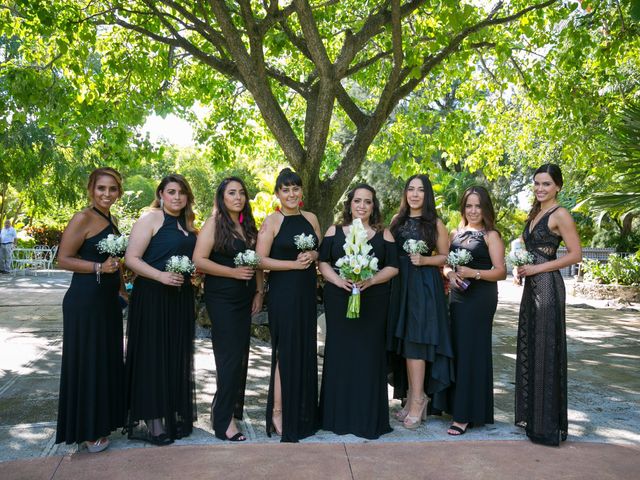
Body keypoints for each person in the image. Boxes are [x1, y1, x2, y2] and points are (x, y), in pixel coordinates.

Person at [318, 184, 399, 439]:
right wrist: (337, 281)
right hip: (339, 298)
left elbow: (394, 267)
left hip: (374, 301)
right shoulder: (334, 231)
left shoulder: (383, 234)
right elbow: (323, 261)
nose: (362, 206)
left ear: (374, 206)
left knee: (368, 355)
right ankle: (336, 417)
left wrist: (372, 279)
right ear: (349, 204)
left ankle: (367, 418)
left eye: (367, 202)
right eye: (357, 201)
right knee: (340, 353)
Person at [124, 174, 198, 446]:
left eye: (181, 192)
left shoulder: (186, 224)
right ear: (161, 194)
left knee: (174, 355)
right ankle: (153, 421)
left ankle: (171, 413)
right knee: (152, 357)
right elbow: (131, 259)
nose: (177, 197)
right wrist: (160, 276)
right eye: (171, 192)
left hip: (179, 298)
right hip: (153, 296)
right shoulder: (151, 219)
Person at [56, 167, 125, 452]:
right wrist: (98, 266)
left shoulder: (111, 219)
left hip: (107, 302)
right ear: (90, 190)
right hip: (84, 302)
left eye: (112, 189)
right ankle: (87, 429)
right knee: (88, 363)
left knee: (105, 361)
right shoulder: (82, 218)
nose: (107, 194)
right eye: (101, 188)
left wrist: (121, 290)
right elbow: (63, 259)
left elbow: (115, 261)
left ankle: (103, 420)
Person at [515, 163, 581, 446]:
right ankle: (534, 419)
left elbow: (575, 255)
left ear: (558, 187)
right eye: (536, 183)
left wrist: (537, 269)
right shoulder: (535, 213)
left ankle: (546, 426)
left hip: (548, 287)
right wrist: (522, 267)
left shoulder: (560, 214)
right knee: (531, 347)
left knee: (545, 351)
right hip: (532, 287)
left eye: (546, 184)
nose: (540, 188)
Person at [193, 177, 264, 442]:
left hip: (245, 297)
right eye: (232, 193)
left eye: (242, 193)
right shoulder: (214, 223)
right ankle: (224, 422)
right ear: (222, 197)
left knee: (240, 357)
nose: (238, 197)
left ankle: (225, 411)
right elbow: (198, 260)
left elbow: (255, 263)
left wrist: (259, 291)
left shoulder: (247, 226)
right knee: (229, 358)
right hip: (222, 297)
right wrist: (233, 273)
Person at [256, 168, 321, 442]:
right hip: (283, 293)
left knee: (305, 350)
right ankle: (278, 412)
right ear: (277, 194)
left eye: (295, 188)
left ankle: (304, 412)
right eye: (286, 189)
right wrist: (293, 265)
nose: (291, 194)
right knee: (286, 351)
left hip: (307, 293)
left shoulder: (311, 218)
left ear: (301, 191)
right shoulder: (272, 221)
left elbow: (321, 250)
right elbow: (259, 260)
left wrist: (312, 253)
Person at [387, 175, 453, 430]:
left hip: (423, 286)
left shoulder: (435, 223)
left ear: (427, 195)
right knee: (404, 341)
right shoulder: (396, 221)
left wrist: (425, 260)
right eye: (410, 189)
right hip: (398, 285)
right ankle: (411, 399)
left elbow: (445, 257)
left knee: (416, 341)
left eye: (420, 190)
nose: (415, 194)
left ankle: (418, 400)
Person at [444, 186, 506, 436]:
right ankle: (456, 405)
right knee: (457, 350)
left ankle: (464, 415)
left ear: (485, 208)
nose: (473, 210)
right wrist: (450, 274)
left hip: (481, 298)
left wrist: (475, 274)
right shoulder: (455, 233)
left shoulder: (491, 235)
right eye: (469, 205)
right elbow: (447, 263)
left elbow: (501, 271)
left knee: (472, 351)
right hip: (457, 296)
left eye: (478, 206)